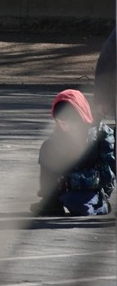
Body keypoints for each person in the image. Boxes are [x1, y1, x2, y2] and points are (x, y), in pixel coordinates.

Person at [36, 89, 114, 217]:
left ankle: (102, 206)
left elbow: (107, 176)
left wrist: (71, 179)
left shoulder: (102, 136)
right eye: (61, 123)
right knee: (47, 147)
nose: (65, 128)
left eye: (70, 123)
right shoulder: (57, 137)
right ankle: (52, 201)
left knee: (78, 205)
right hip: (66, 187)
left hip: (92, 188)